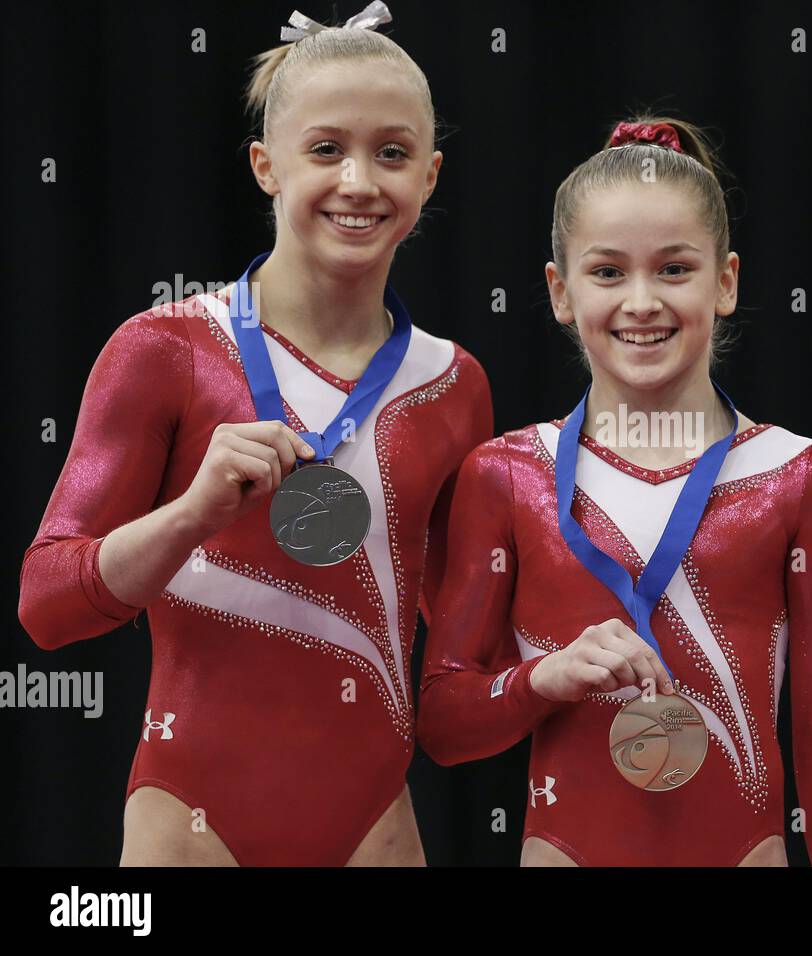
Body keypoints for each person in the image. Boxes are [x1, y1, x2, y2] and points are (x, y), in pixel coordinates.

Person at [17, 2, 492, 866]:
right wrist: (192, 513)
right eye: (325, 149)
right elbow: (45, 605)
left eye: (392, 152)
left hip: (375, 831)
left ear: (430, 176)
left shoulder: (452, 385)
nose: (359, 180)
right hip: (191, 825)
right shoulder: (164, 349)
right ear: (265, 166)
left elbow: (466, 660)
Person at [417, 117, 812, 866]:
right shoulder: (507, 476)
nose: (641, 302)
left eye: (673, 269)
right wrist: (544, 677)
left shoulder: (800, 478)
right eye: (607, 272)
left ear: (725, 281)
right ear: (560, 291)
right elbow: (442, 723)